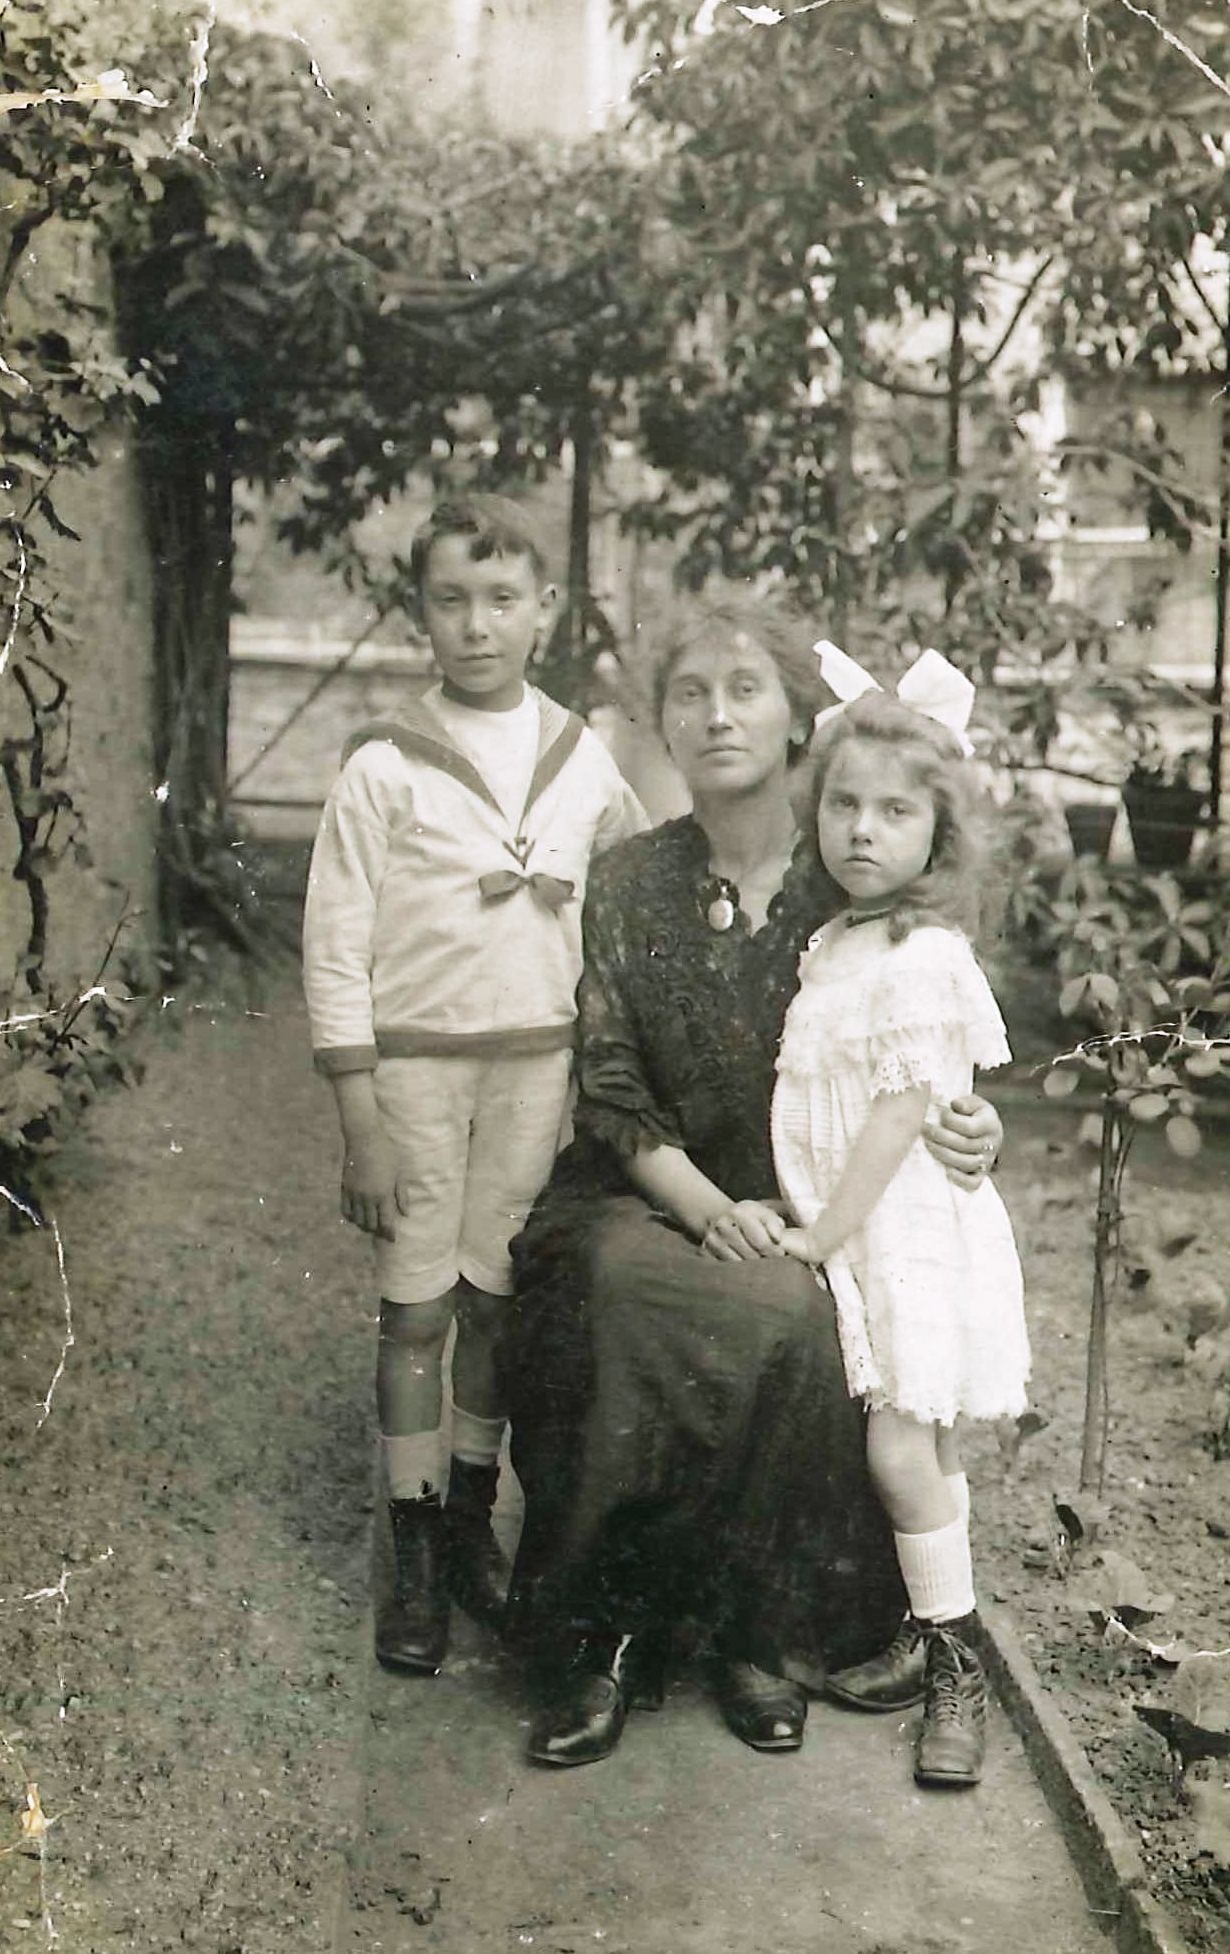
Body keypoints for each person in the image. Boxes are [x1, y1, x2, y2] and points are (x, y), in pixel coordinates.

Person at [500, 590, 1004, 1768]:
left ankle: (750, 1626)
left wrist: (970, 1130)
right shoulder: (628, 880)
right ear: (662, 726)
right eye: (689, 693)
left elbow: (928, 1048)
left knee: (790, 1312)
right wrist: (708, 1205)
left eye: (745, 690)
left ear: (796, 723)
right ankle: (606, 1635)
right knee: (622, 1284)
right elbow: (613, 1086)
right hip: (648, 1191)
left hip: (811, 1211)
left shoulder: (855, 878)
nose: (716, 715)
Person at [302, 494, 646, 1676]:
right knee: (415, 1304)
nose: (477, 625)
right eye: (451, 599)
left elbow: (634, 889)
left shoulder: (582, 758)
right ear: (421, 612)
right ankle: (407, 1541)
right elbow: (335, 947)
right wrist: (360, 1125)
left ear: (543, 610)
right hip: (414, 1072)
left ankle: (465, 1517)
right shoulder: (385, 767)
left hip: (534, 1069)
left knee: (495, 1296)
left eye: (502, 600)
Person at [772, 648, 1030, 1788]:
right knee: (914, 1442)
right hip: (865, 1228)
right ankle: (932, 1628)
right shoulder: (837, 942)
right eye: (843, 804)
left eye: (894, 811)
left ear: (940, 831)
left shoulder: (925, 957)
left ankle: (956, 1661)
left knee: (898, 1438)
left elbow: (893, 1118)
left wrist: (821, 1234)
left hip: (902, 1226)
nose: (862, 831)